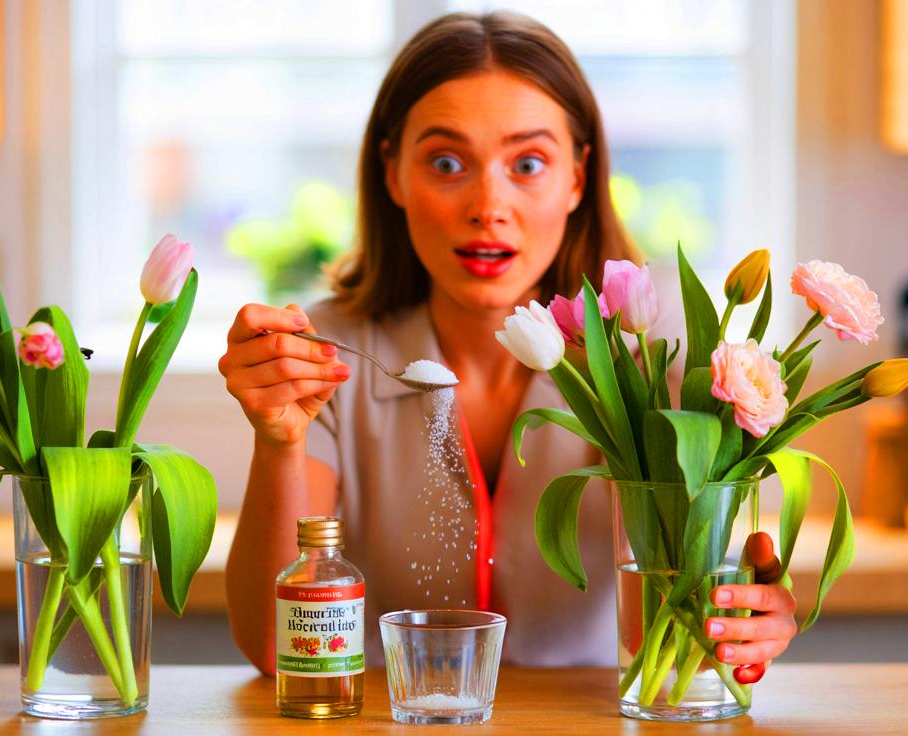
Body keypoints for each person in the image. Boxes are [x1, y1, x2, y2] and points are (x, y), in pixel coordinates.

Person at [219, 11, 796, 678]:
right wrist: (278, 441)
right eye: (445, 162)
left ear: (578, 177)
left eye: (527, 163)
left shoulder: (656, 352)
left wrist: (741, 617)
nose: (488, 204)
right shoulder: (331, 352)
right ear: (393, 174)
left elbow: (673, 641)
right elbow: (275, 648)